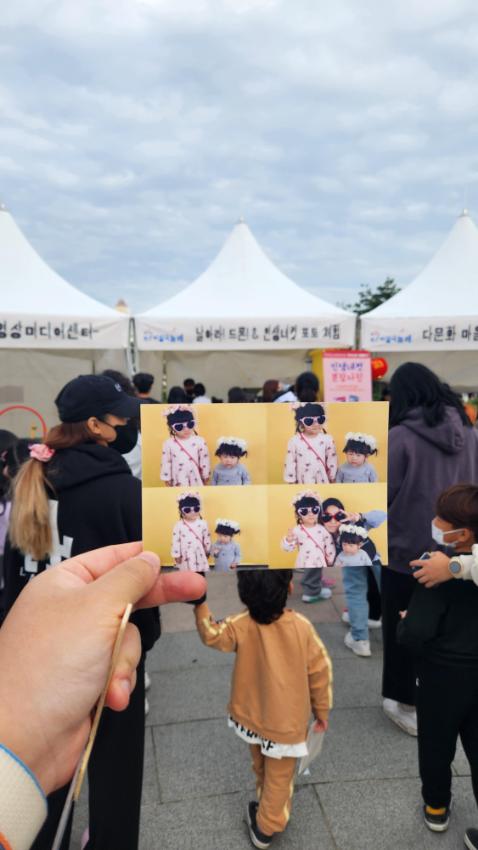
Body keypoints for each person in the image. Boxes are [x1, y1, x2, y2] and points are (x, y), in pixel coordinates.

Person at [4, 374, 160, 850]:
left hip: (36, 659)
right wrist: (145, 639)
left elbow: (14, 579)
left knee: (43, 776)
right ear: (95, 425)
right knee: (116, 780)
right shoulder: (127, 493)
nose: (129, 426)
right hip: (112, 658)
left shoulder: (31, 479)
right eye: (122, 418)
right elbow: (146, 587)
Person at [0, 542, 206, 850]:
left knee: (55, 804)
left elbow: (12, 589)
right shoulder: (125, 509)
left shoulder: (21, 512)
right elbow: (144, 611)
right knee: (116, 783)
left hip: (32, 665)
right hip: (109, 657)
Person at [192, 569, 332, 848]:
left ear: (243, 593)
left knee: (260, 765)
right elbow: (320, 671)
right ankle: (266, 827)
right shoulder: (302, 627)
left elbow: (211, 634)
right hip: (286, 724)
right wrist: (322, 710)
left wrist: (200, 603)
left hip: (251, 716)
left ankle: (264, 804)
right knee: (280, 777)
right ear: (290, 588)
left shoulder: (241, 623)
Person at [383, 362, 478, 737]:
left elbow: (384, 493)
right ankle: (442, 693)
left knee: (404, 627)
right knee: (448, 624)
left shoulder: (400, 436)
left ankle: (403, 701)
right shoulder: (469, 432)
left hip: (405, 550)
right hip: (459, 548)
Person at [397, 485, 478, 838]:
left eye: (442, 518)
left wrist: (405, 622)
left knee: (435, 743)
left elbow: (416, 632)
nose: (434, 521)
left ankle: (436, 807)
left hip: (441, 676)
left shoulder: (436, 572)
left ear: (463, 533)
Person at [320, 497, 385, 634]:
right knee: (357, 590)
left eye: (338, 516)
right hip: (353, 567)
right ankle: (362, 628)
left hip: (373, 562)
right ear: (321, 518)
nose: (333, 521)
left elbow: (382, 515)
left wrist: (360, 516)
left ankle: (373, 621)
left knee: (383, 588)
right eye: (327, 516)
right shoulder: (320, 535)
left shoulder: (354, 526)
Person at [281, 491, 336, 603]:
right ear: (298, 514)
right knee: (311, 574)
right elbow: (288, 549)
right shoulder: (297, 530)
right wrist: (289, 540)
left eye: (314, 510)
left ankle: (315, 585)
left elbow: (329, 543)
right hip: (306, 560)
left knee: (315, 573)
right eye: (305, 511)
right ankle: (311, 593)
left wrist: (330, 559)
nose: (311, 514)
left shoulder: (322, 528)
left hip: (319, 559)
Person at [334, 524, 378, 658]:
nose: (347, 547)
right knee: (387, 587)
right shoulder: (344, 554)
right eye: (344, 544)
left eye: (351, 545)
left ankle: (360, 639)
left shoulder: (359, 553)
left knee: (355, 589)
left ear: (359, 545)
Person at [283, 402, 337, 484]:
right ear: (301, 422)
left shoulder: (327, 439)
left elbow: (332, 460)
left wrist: (333, 478)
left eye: (320, 419)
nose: (316, 424)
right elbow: (290, 462)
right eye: (309, 421)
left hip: (322, 479)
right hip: (302, 480)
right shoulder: (294, 441)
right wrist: (291, 481)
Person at [160, 404, 210, 487]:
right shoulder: (168, 443)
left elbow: (204, 459)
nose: (186, 429)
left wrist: (206, 474)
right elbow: (166, 461)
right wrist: (166, 478)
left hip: (196, 476)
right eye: (179, 427)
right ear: (172, 428)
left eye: (190, 424)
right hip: (178, 478)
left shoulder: (200, 441)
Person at [171, 492, 211, 573]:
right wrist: (176, 555)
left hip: (199, 551)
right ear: (181, 511)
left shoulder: (203, 523)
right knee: (187, 572)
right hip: (185, 553)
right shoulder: (179, 525)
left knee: (200, 570)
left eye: (196, 509)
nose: (193, 512)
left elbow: (206, 537)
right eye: (187, 510)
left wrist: (207, 550)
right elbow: (175, 541)